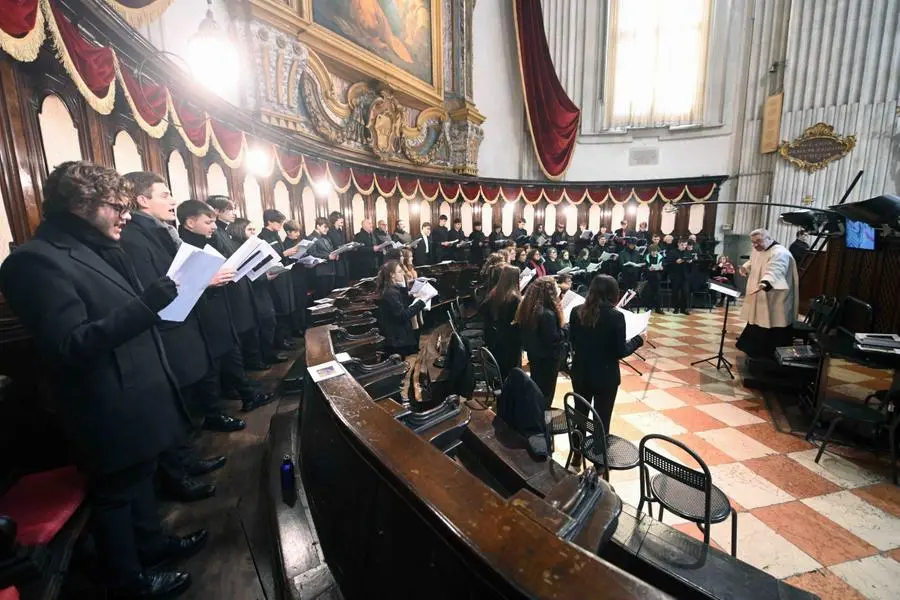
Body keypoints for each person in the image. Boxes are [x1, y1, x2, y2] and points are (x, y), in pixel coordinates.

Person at [0, 161, 202, 597]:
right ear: (80, 203)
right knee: (115, 496)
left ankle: (152, 548)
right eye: (117, 206)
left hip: (135, 395)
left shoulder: (96, 247)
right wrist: (146, 306)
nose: (126, 216)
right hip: (104, 404)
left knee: (141, 480)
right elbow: (68, 345)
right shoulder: (35, 262)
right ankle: (129, 581)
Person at [120, 173, 224, 503]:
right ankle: (177, 474)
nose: (172, 200)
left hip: (181, 324)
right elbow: (155, 288)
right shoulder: (136, 239)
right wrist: (203, 281)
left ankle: (187, 461)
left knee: (182, 405)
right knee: (173, 405)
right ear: (142, 200)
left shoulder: (159, 233)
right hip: (166, 329)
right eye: (164, 194)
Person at [177, 201, 275, 418]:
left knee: (231, 353)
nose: (213, 226)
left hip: (220, 306)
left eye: (213, 221)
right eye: (208, 222)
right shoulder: (185, 246)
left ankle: (247, 395)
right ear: (190, 222)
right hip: (204, 313)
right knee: (215, 363)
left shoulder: (207, 241)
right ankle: (216, 412)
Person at [569, 275, 644, 467]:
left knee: (580, 415)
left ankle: (576, 455)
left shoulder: (577, 311)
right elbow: (619, 351)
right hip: (605, 376)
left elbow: (573, 340)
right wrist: (638, 339)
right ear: (613, 293)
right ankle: (599, 461)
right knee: (602, 419)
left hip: (581, 372)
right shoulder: (615, 316)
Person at [737, 229, 799, 359]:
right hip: (759, 294)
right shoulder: (758, 250)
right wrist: (746, 266)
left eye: (758, 241)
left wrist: (766, 282)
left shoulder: (780, 253)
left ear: (769, 238)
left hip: (773, 297)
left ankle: (769, 358)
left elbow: (776, 270)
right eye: (753, 242)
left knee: (772, 323)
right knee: (757, 321)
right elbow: (754, 261)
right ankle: (753, 353)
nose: (755, 245)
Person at [516, 277, 565, 407]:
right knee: (546, 392)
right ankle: (542, 418)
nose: (558, 289)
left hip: (535, 354)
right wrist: (565, 329)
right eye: (556, 287)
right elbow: (553, 339)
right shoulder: (547, 314)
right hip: (548, 358)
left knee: (537, 386)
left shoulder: (530, 308)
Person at [257, 209, 298, 350]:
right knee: (279, 308)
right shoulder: (262, 237)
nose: (281, 225)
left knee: (287, 307)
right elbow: (267, 257)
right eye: (278, 222)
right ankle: (280, 341)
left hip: (283, 274)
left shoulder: (276, 234)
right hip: (273, 277)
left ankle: (287, 336)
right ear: (269, 221)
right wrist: (284, 253)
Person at [376, 260, 427, 357]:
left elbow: (404, 303)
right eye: (399, 272)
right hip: (396, 339)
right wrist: (422, 302)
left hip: (399, 336)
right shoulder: (390, 293)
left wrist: (405, 289)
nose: (403, 273)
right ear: (392, 275)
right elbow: (403, 315)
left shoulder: (394, 289)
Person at [479, 265, 522, 379]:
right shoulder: (514, 298)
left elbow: (482, 309)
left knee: (503, 372)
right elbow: (518, 323)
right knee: (512, 372)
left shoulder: (496, 291)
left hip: (497, 338)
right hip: (510, 342)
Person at [307, 217, 339, 298]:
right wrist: (328, 256)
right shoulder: (311, 238)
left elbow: (330, 250)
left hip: (330, 270)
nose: (327, 229)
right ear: (318, 226)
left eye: (328, 227)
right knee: (322, 297)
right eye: (325, 227)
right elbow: (312, 254)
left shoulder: (326, 237)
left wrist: (336, 253)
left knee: (330, 296)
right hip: (320, 272)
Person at [666, 238, 692, 315]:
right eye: (682, 245)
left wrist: (690, 262)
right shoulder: (672, 252)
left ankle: (683, 309)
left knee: (685, 292)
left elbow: (690, 266)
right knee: (675, 292)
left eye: (685, 245)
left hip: (685, 276)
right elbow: (668, 263)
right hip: (675, 275)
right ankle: (676, 308)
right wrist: (675, 262)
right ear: (678, 244)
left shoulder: (687, 253)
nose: (684, 246)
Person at [326, 211, 349, 287]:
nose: (342, 219)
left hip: (343, 258)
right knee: (338, 281)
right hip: (336, 260)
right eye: (340, 218)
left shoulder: (341, 231)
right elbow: (330, 246)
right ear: (335, 220)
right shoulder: (329, 231)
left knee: (345, 280)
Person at [644, 245, 665, 314]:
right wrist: (648, 269)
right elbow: (643, 267)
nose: (654, 252)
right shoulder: (647, 257)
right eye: (652, 251)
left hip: (657, 277)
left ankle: (658, 308)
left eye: (655, 251)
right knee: (649, 293)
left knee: (658, 293)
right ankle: (648, 307)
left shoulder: (660, 257)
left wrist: (662, 268)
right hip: (649, 277)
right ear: (650, 251)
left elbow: (664, 266)